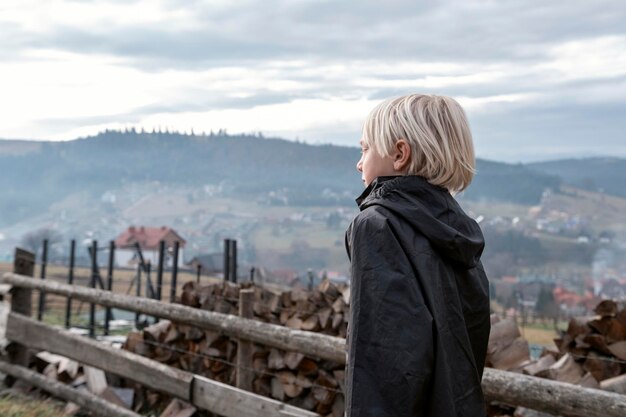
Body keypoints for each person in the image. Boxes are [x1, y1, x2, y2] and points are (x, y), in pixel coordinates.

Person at [344, 94, 491, 416]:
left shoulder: (378, 225)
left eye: (365, 148)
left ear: (399, 154)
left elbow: (381, 361)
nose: (359, 162)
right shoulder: (457, 229)